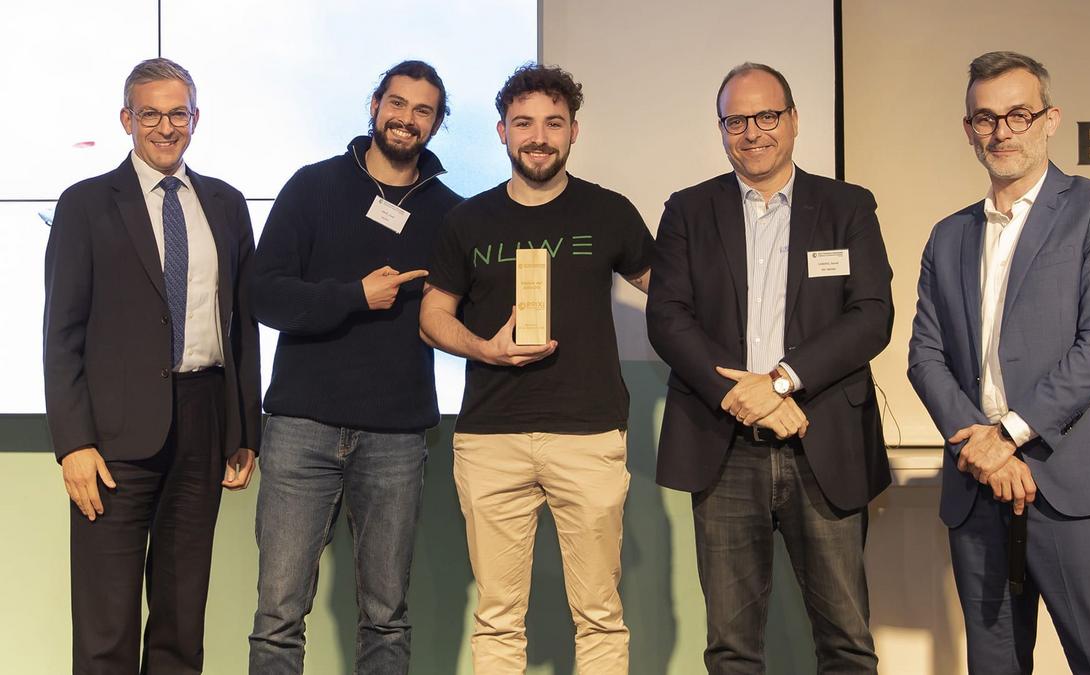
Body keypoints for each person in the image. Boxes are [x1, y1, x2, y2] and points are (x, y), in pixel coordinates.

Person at [907, 51, 1090, 674]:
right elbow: (925, 355)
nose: (1002, 131)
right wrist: (981, 447)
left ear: (1050, 119)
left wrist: (1008, 436)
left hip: (1078, 483)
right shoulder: (948, 234)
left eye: (1018, 114)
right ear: (969, 130)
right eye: (986, 118)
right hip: (978, 486)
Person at [646, 62, 893, 674]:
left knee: (847, 644)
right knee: (731, 650)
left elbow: (871, 316)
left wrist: (780, 382)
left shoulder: (847, 206)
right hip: (724, 447)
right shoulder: (688, 210)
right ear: (721, 128)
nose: (752, 132)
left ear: (793, 120)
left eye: (766, 116)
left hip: (823, 440)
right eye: (736, 120)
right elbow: (668, 318)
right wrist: (741, 396)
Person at [419, 64, 653, 675]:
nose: (539, 137)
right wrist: (485, 349)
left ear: (574, 130)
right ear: (502, 132)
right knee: (498, 617)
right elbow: (432, 317)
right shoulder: (467, 220)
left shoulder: (609, 212)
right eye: (523, 123)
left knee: (599, 614)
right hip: (489, 439)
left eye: (554, 122)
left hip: (590, 434)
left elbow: (672, 296)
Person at [43, 57, 260, 674]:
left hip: (202, 423)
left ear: (196, 118)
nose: (166, 128)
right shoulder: (85, 204)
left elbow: (242, 325)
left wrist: (244, 429)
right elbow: (61, 334)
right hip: (112, 439)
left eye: (177, 114)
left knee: (180, 623)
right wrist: (73, 444)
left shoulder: (226, 203)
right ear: (126, 120)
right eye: (150, 115)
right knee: (105, 628)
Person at [247, 60, 462, 674]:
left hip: (396, 435)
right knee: (278, 616)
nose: (407, 118)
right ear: (374, 106)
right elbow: (263, 296)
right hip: (301, 429)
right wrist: (354, 296)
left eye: (423, 110)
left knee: (386, 616)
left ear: (437, 124)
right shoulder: (313, 186)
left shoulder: (451, 213)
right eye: (397, 103)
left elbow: (464, 311)